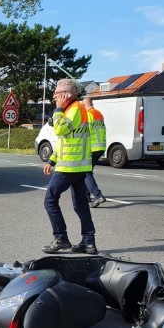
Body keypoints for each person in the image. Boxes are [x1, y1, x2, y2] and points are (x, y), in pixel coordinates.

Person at [42, 79, 97, 254]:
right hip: (79, 167)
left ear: (66, 95)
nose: (54, 97)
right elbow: (65, 140)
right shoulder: (75, 109)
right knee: (80, 204)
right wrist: (51, 160)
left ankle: (61, 238)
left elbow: (59, 130)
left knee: (50, 200)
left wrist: (57, 110)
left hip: (69, 168)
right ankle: (88, 242)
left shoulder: (73, 109)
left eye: (57, 94)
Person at [82, 97, 107, 207]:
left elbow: (85, 132)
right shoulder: (99, 114)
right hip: (100, 147)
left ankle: (98, 195)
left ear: (84, 104)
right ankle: (86, 196)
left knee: (86, 173)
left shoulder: (88, 114)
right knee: (87, 172)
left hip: (91, 147)